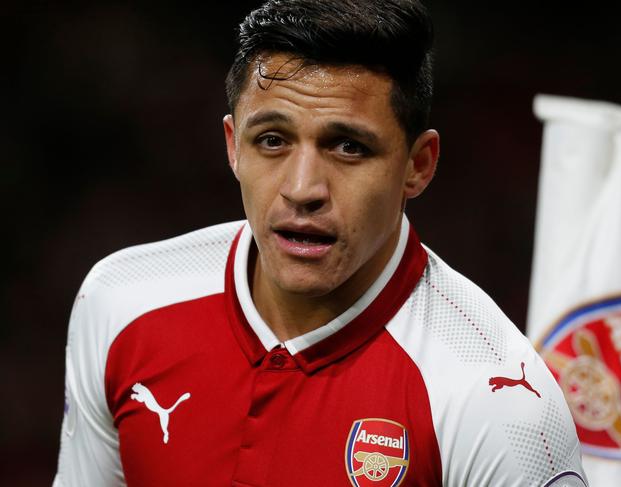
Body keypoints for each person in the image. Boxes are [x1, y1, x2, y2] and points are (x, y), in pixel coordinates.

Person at [53, 0, 588, 485]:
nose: (302, 189)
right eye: (272, 140)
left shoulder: (498, 405)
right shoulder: (121, 302)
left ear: (418, 166)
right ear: (232, 146)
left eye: (348, 147)